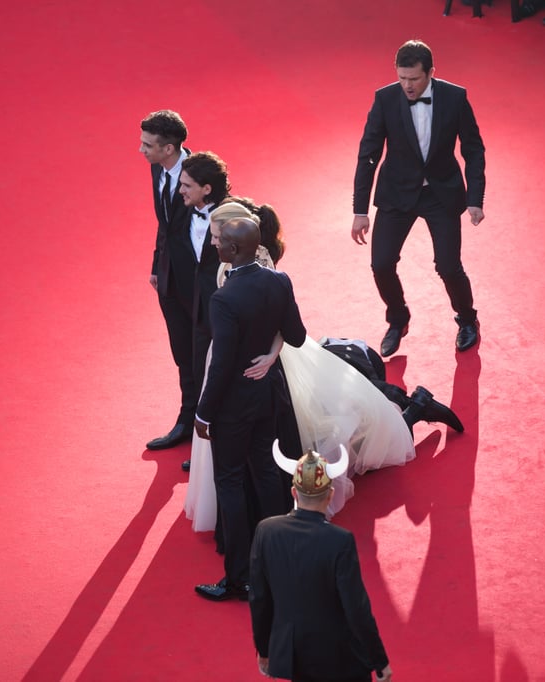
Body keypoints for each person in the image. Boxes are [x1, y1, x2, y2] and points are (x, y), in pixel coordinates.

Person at [184, 201, 462, 532]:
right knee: (306, 430)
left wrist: (272, 355)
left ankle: (412, 410)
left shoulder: (259, 266)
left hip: (272, 364)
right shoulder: (237, 263)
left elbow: (278, 325)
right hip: (254, 365)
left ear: (234, 240)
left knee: (314, 431)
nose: (211, 242)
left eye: (216, 236)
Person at [193, 217, 307, 601]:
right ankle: (279, 558)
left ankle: (239, 578)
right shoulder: (279, 281)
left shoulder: (224, 298)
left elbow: (222, 364)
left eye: (220, 241)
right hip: (267, 399)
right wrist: (271, 353)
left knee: (230, 484)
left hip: (232, 409)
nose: (215, 246)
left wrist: (203, 413)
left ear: (235, 250)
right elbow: (297, 335)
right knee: (266, 474)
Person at [352, 39, 485, 357]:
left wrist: (475, 197)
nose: (407, 86)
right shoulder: (385, 99)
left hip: (441, 192)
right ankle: (398, 319)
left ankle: (467, 320)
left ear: (431, 73)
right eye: (402, 78)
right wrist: (360, 209)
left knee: (449, 266)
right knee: (381, 264)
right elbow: (368, 154)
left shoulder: (455, 97)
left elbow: (473, 148)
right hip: (398, 191)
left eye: (413, 78)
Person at [249, 446, 393, 682]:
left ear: (294, 493)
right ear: (330, 494)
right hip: (338, 658)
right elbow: (357, 609)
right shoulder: (340, 541)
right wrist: (379, 660)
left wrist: (265, 650)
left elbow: (259, 600)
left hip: (292, 654)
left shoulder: (266, 531)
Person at [139, 110, 196, 456]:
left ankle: (210, 434)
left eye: (148, 145)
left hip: (200, 285)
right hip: (169, 279)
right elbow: (165, 223)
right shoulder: (156, 167)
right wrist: (156, 266)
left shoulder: (202, 174)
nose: (141, 150)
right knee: (182, 352)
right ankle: (187, 420)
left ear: (169, 147)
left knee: (206, 354)